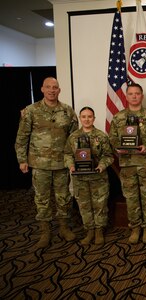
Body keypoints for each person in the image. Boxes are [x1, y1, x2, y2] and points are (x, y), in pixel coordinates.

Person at [15, 77, 78, 249]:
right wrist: (22, 160)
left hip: (61, 163)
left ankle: (64, 228)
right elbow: (22, 137)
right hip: (39, 163)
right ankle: (45, 232)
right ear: (42, 89)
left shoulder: (67, 111)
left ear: (59, 90)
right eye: (48, 87)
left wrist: (73, 159)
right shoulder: (31, 111)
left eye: (55, 87)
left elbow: (74, 138)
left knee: (63, 197)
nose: (52, 90)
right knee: (42, 199)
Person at [109, 83, 146, 244]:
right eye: (131, 93)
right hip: (127, 164)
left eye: (137, 93)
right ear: (126, 96)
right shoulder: (118, 118)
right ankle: (135, 227)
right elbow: (112, 138)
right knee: (131, 197)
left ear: (142, 96)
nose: (134, 96)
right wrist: (118, 148)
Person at [64, 107, 114, 246]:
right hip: (80, 179)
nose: (87, 119)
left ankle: (99, 231)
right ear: (80, 118)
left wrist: (102, 166)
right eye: (84, 116)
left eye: (90, 116)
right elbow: (67, 154)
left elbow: (109, 156)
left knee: (100, 205)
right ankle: (89, 230)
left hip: (98, 178)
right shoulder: (73, 137)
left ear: (94, 118)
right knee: (84, 206)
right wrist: (71, 165)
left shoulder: (101, 136)